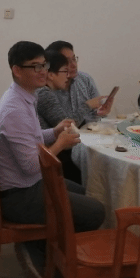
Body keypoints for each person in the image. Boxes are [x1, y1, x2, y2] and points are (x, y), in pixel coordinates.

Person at [0, 41, 105, 278]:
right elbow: (31, 167)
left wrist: (54, 131)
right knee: (95, 212)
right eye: (35, 66)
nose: (43, 71)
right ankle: (42, 253)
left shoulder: (23, 96)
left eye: (44, 65)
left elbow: (31, 138)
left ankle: (49, 247)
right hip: (18, 195)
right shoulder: (14, 109)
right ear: (17, 70)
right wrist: (60, 143)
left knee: (86, 193)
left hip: (27, 184)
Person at [37, 49, 82, 183]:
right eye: (64, 71)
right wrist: (88, 106)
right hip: (48, 158)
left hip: (48, 150)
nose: (68, 76)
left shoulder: (48, 92)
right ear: (51, 75)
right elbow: (69, 125)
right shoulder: (44, 93)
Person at [45, 40, 113, 126]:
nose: (74, 64)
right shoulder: (47, 90)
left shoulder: (85, 79)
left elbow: (96, 115)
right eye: (67, 61)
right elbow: (64, 125)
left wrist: (101, 112)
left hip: (91, 131)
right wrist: (87, 105)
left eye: (74, 59)